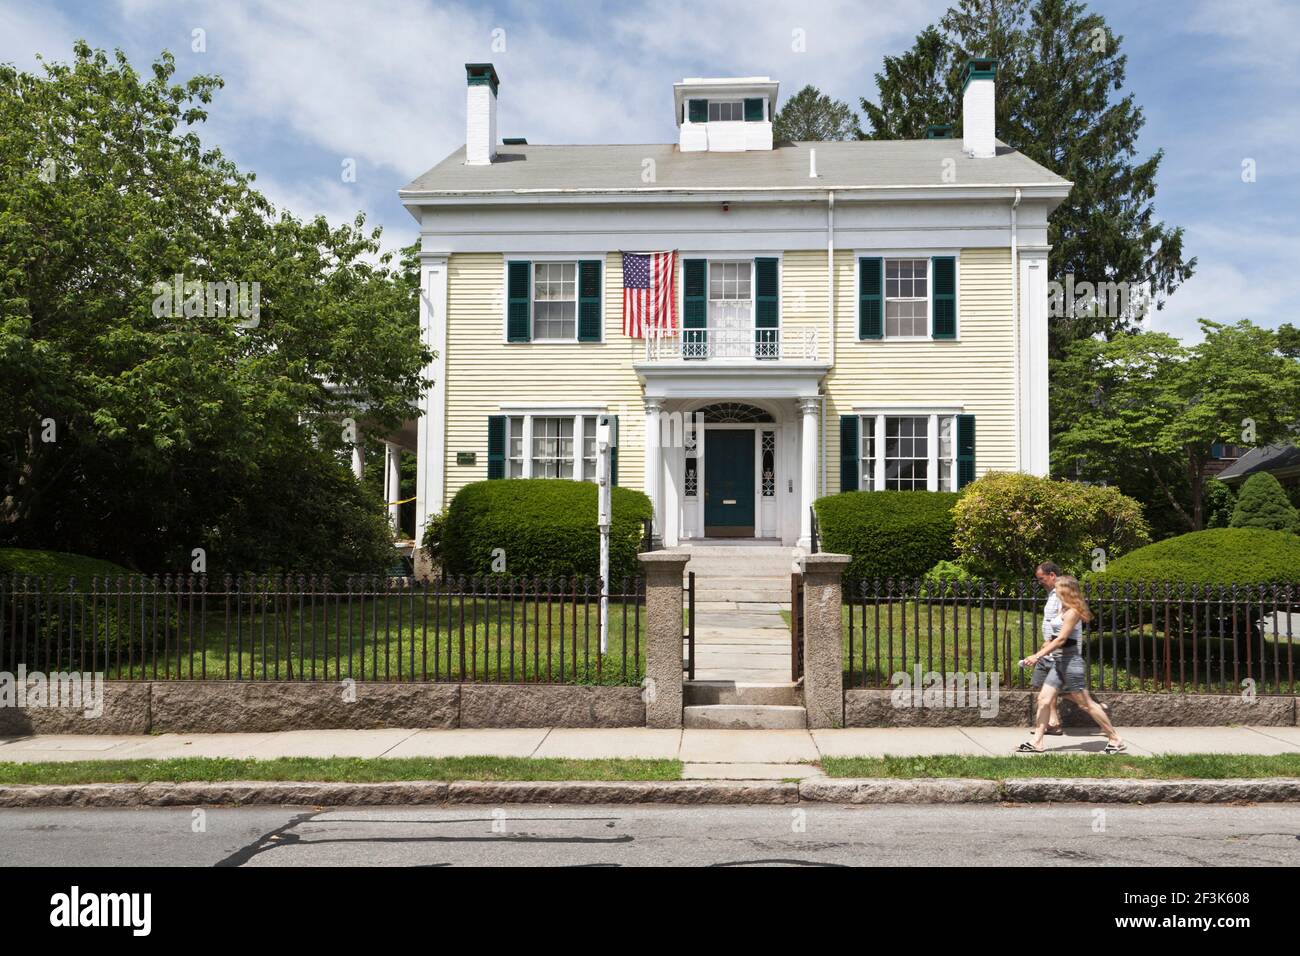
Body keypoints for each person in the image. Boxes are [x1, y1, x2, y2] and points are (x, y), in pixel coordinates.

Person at [1017, 575, 1125, 754]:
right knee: (1043, 699)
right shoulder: (1062, 609)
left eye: (1058, 588)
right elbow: (1055, 636)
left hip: (1071, 664)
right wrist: (1045, 645)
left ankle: (1115, 738)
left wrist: (1037, 655)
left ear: (1066, 590)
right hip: (1058, 663)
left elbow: (1062, 639)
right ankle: (1037, 742)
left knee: (1086, 704)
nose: (1055, 591)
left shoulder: (1073, 611)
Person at [1030, 562, 1064, 735]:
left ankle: (1047, 727)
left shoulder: (1061, 595)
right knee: (1045, 689)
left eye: (1041, 579)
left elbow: (1063, 622)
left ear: (1052, 575)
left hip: (1056, 651)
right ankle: (1052, 723)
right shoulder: (1052, 595)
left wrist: (1050, 642)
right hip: (1048, 651)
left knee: (1049, 691)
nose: (1040, 582)